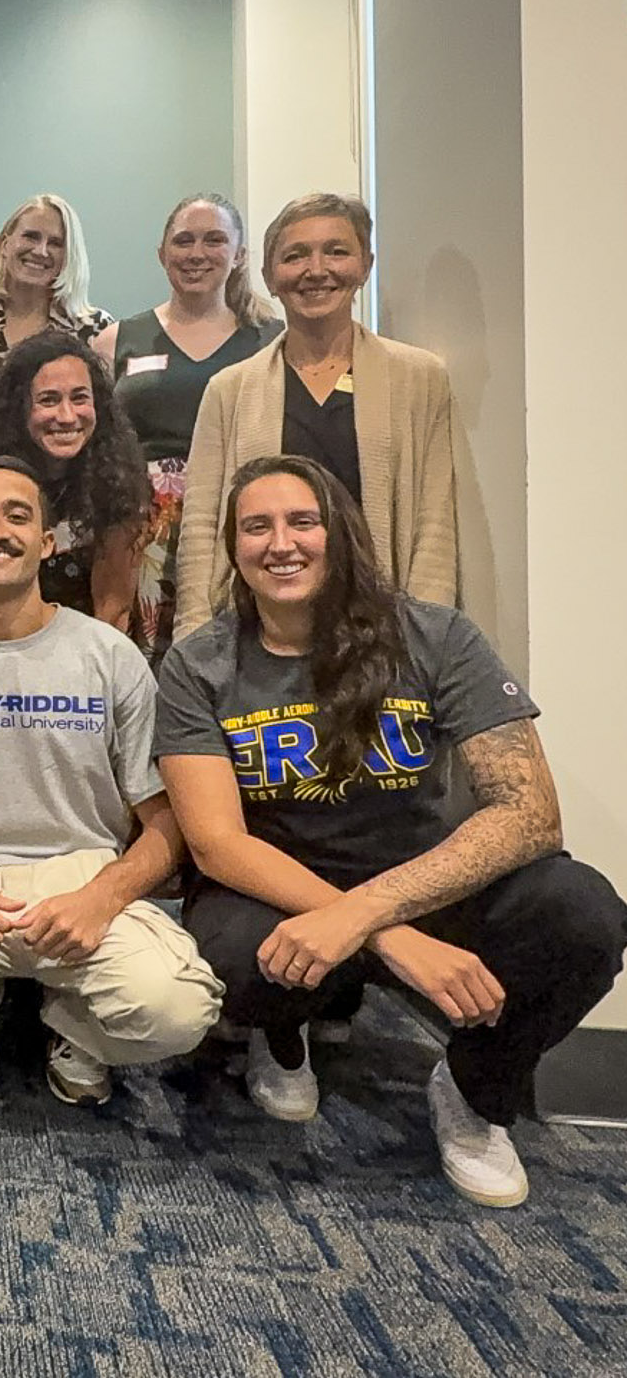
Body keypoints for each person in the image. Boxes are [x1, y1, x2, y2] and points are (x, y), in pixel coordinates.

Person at [156, 456, 627, 1204]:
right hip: (282, 894)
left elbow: (529, 812)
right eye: (257, 526)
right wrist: (385, 936)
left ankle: (475, 1090)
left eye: (303, 521)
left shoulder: (436, 637)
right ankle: (283, 1035)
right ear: (232, 546)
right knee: (229, 955)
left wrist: (371, 913)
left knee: (584, 913)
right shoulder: (200, 664)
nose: (282, 543)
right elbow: (217, 843)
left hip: (425, 879)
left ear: (339, 532)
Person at [0, 456, 222, 1106]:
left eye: (16, 515)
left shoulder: (110, 658)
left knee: (178, 1011)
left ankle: (70, 1024)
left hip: (83, 884)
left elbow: (167, 822)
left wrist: (105, 897)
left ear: (47, 542)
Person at [176, 193, 457, 639]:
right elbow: (201, 528)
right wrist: (195, 641)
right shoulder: (229, 389)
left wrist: (430, 638)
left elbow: (435, 524)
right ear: (269, 277)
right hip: (262, 634)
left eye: (337, 251)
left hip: (381, 629)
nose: (316, 270)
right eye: (295, 256)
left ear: (365, 265)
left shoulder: (419, 378)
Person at [94, 195, 275, 665]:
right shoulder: (115, 340)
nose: (197, 253)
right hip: (138, 529)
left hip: (235, 518)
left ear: (239, 255)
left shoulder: (272, 340)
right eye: (184, 240)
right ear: (162, 254)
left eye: (214, 240)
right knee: (142, 663)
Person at [0, 331, 149, 632]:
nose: (67, 416)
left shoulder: (119, 483)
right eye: (49, 400)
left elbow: (112, 610)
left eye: (80, 398)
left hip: (83, 649)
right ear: (19, 408)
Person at [0, 194, 113, 403]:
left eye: (55, 243)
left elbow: (108, 417)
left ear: (68, 256)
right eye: (31, 236)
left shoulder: (96, 330)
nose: (41, 251)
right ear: (5, 245)